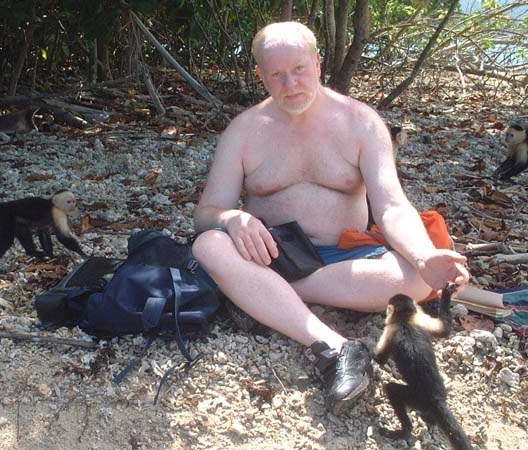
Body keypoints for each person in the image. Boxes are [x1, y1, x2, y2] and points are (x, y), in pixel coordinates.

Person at [192, 21, 469, 414]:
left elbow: (391, 205)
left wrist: (425, 258)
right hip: (273, 254)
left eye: (299, 69)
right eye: (277, 74)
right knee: (209, 245)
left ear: (318, 64)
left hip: (346, 257)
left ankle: (261, 295)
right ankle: (336, 346)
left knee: (413, 277)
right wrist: (233, 218)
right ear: (260, 75)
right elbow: (206, 215)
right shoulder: (243, 130)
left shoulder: (361, 121)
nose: (291, 84)